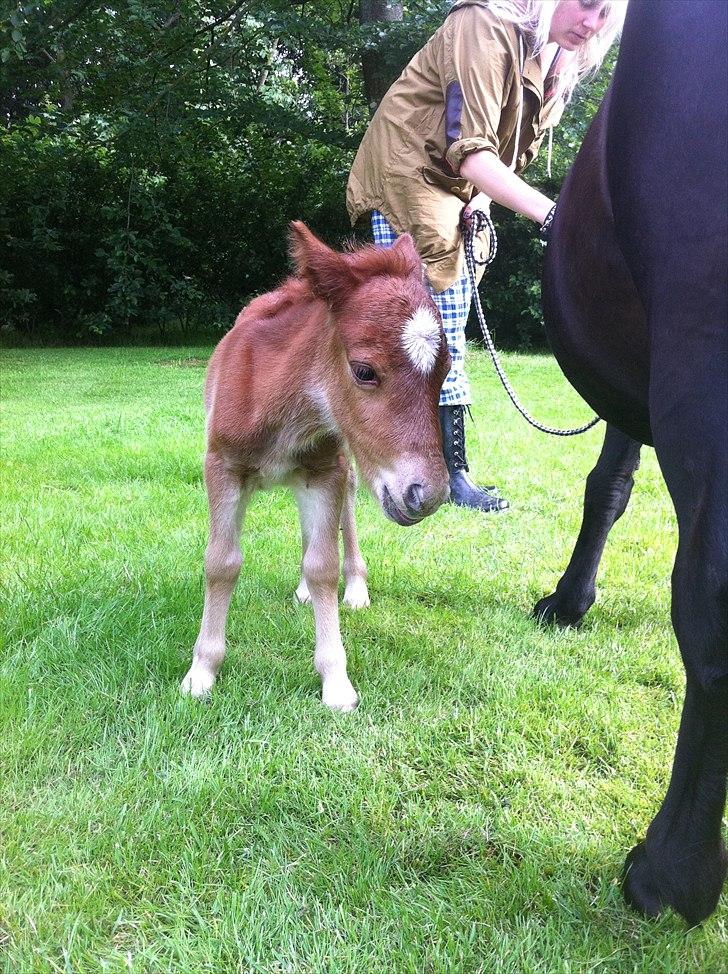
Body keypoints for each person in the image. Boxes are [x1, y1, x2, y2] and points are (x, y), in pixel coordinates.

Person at [347, 0, 626, 512]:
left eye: (607, 13)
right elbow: (474, 152)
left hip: (454, 184)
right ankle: (438, 472)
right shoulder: (484, 25)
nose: (593, 23)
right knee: (427, 331)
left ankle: (440, 468)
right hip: (409, 171)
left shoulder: (554, 60)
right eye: (587, 2)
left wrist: (480, 202)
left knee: (438, 329)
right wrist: (557, 218)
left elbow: (505, 153)